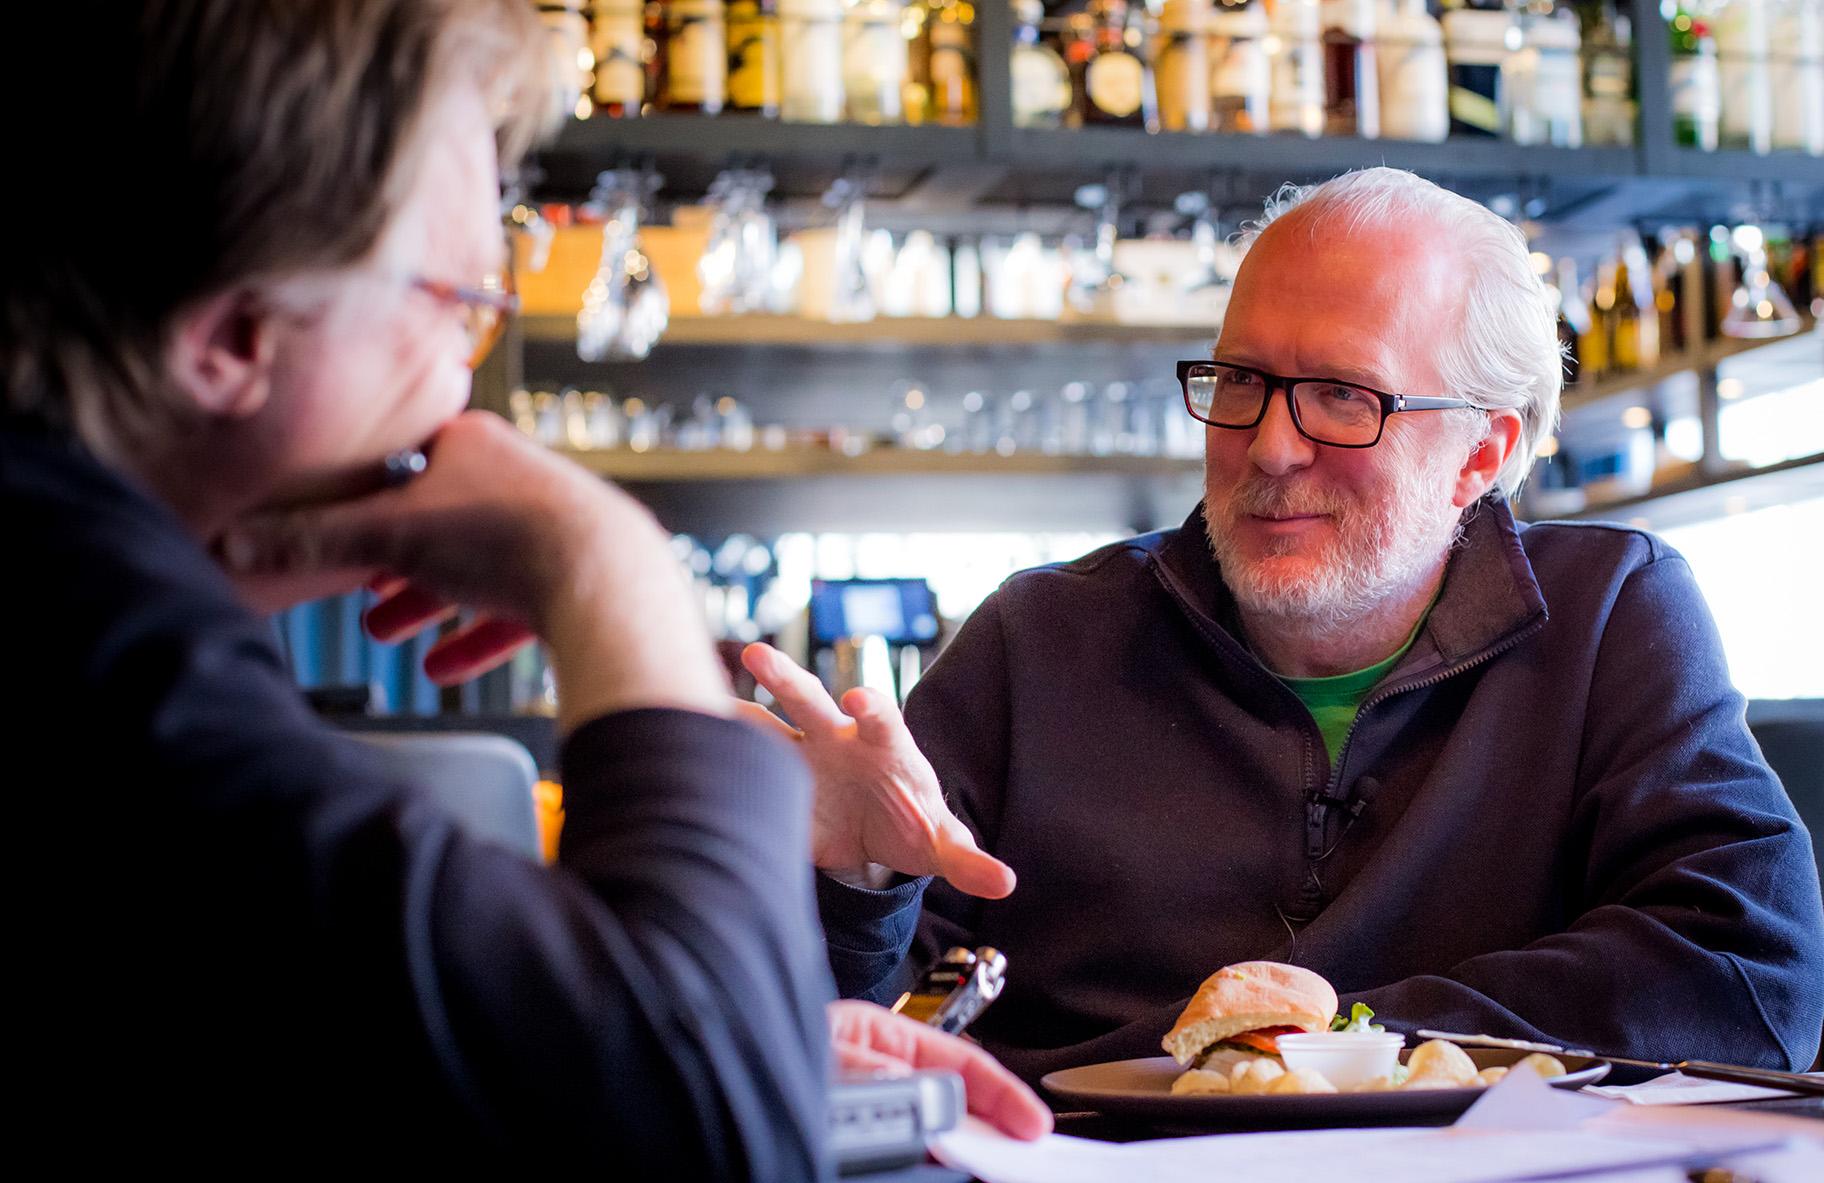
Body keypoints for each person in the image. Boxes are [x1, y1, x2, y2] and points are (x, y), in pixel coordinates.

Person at [5, 0, 1045, 1170]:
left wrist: (721, 1041)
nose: (466, 377)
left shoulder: (82, 591)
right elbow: (693, 1133)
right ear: (235, 340)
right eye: (454, 301)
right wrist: (608, 563)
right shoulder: (86, 637)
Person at [742, 168, 1824, 1085]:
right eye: (1244, 381)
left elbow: (1750, 972)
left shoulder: (1610, 617)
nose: (1267, 447)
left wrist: (1316, 1048)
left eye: (1345, 398)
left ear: (1482, 454)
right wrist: (851, 888)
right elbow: (835, 1050)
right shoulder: (1038, 644)